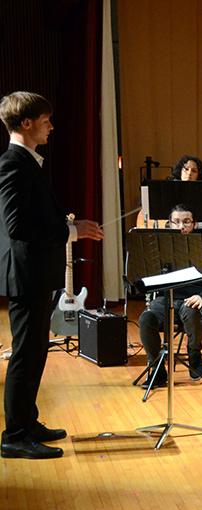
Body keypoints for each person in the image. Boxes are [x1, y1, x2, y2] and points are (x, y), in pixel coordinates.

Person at [0, 91, 104, 460]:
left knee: (36, 352)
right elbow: (17, 226)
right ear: (26, 123)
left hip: (37, 274)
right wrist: (72, 232)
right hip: (26, 276)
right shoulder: (13, 163)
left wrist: (69, 225)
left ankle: (28, 422)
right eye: (46, 121)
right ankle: (14, 435)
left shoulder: (28, 162)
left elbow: (35, 217)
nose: (52, 127)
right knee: (26, 356)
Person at [138, 203, 202, 387]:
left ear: (194, 224)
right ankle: (158, 370)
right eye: (176, 222)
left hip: (196, 302)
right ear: (169, 224)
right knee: (146, 319)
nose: (181, 226)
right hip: (166, 300)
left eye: (186, 222)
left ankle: (194, 353)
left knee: (191, 310)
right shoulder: (160, 252)